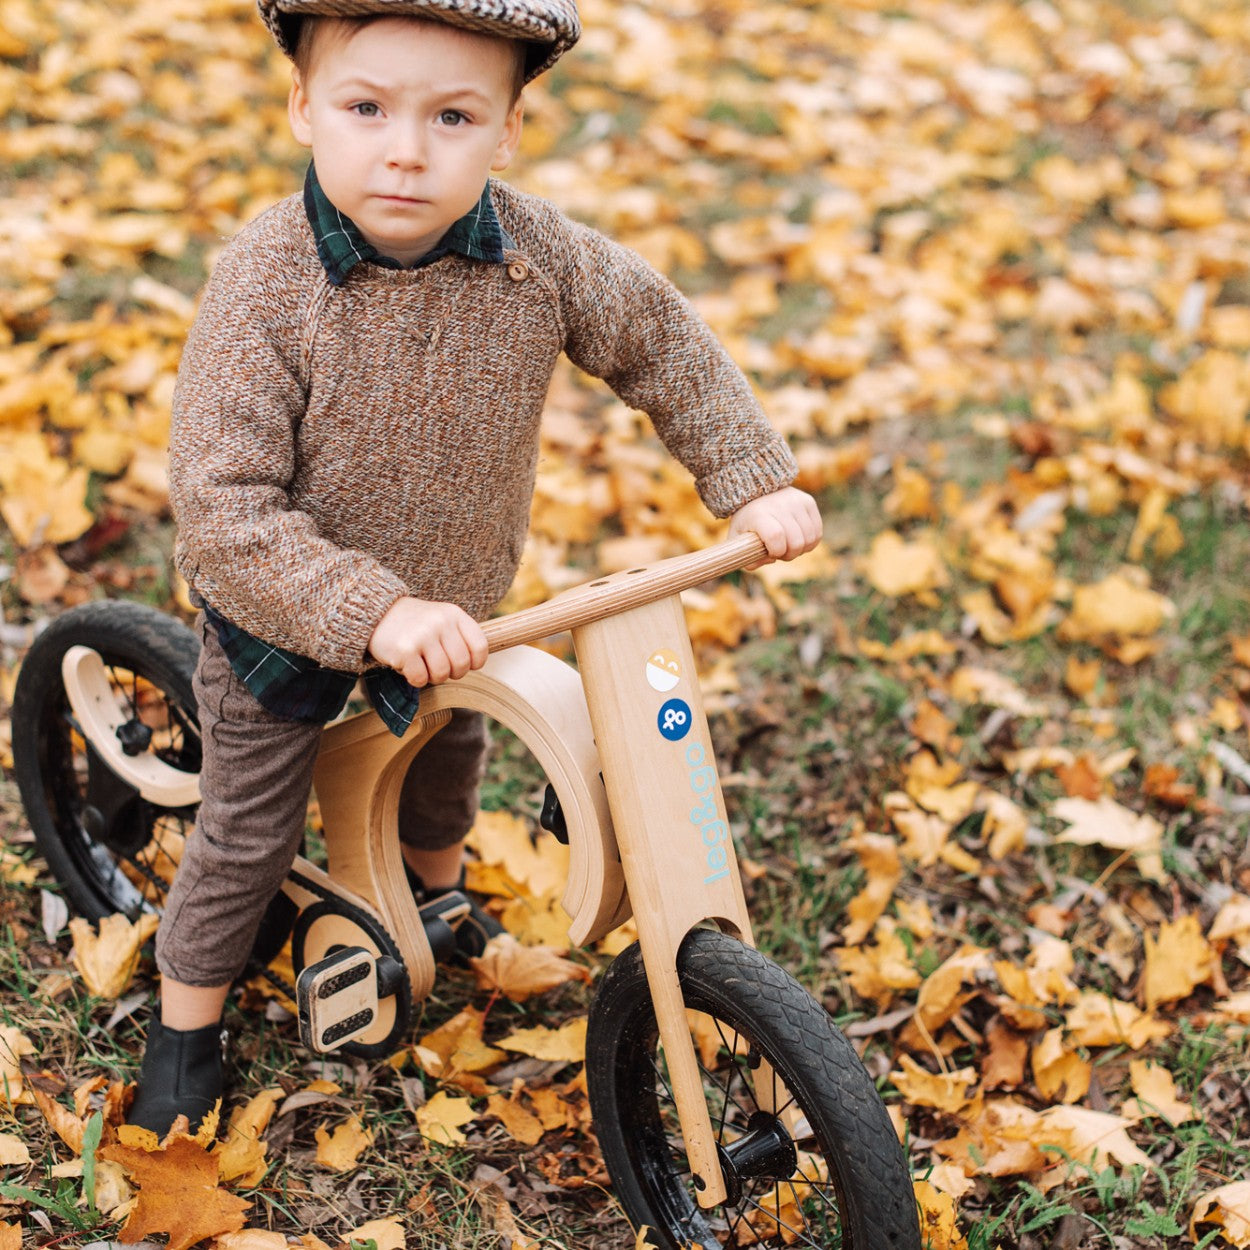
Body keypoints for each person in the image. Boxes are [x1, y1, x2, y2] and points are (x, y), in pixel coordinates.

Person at [131, 0, 823, 1134]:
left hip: (457, 607)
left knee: (446, 752)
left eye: (452, 115)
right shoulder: (265, 282)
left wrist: (747, 473)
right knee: (248, 829)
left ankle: (438, 898)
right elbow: (223, 512)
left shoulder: (536, 254)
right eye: (365, 108)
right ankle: (186, 1017)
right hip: (282, 614)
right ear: (303, 107)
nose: (405, 149)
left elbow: (655, 335)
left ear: (507, 130)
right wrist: (369, 608)